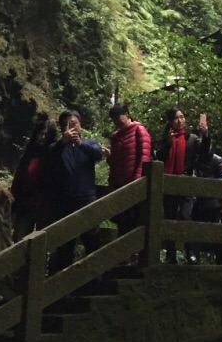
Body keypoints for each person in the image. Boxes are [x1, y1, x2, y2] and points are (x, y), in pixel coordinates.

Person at [40, 110, 105, 271]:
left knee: (92, 238)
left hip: (86, 197)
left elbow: (98, 155)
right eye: (66, 125)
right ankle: (64, 283)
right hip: (64, 199)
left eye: (73, 124)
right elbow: (49, 162)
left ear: (80, 125)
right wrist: (63, 142)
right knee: (65, 242)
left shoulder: (89, 143)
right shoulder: (56, 147)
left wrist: (80, 144)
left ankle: (95, 278)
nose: (70, 128)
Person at [156, 107, 211, 264]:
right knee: (170, 217)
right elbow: (159, 156)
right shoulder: (166, 139)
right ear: (170, 122)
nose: (180, 120)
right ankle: (170, 254)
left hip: (186, 182)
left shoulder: (191, 138)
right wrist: (168, 142)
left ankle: (191, 253)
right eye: (176, 118)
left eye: (182, 117)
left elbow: (204, 152)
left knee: (186, 216)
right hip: (168, 183)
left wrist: (206, 134)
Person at [107, 103, 153, 237]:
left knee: (133, 221)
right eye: (114, 119)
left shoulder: (139, 130)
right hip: (120, 186)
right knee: (122, 221)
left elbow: (144, 158)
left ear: (126, 115)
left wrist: (136, 182)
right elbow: (115, 162)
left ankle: (133, 256)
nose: (116, 122)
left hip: (134, 186)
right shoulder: (116, 136)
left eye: (118, 118)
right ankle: (124, 256)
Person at [10, 119, 57, 239]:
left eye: (46, 134)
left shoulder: (53, 155)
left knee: (43, 239)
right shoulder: (29, 154)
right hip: (25, 204)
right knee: (20, 238)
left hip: (44, 205)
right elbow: (19, 179)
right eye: (40, 133)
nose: (42, 137)